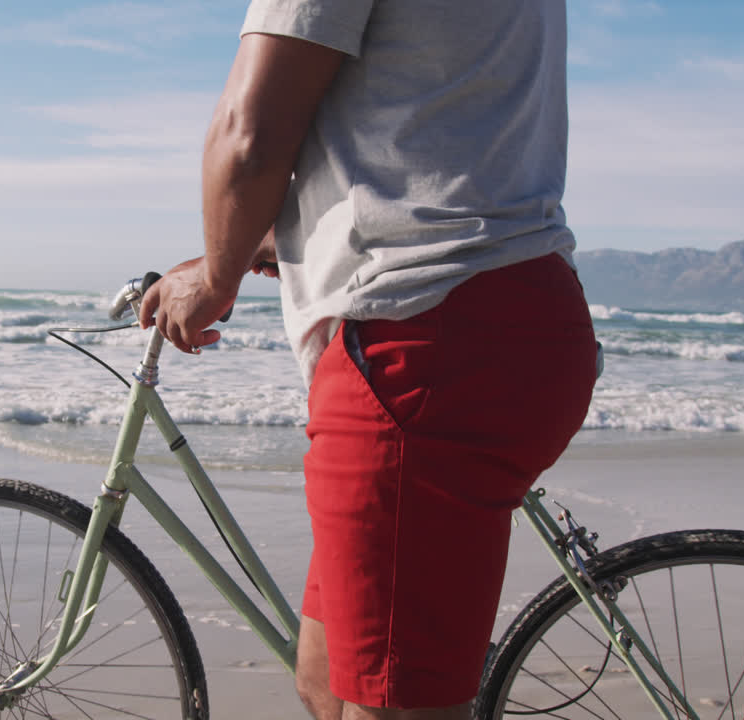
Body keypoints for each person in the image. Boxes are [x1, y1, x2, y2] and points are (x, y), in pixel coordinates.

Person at [138, 1, 598, 718]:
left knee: (389, 705)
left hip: (421, 340)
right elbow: (427, 129)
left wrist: (213, 280)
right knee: (327, 679)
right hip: (522, 306)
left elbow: (249, 135)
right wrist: (276, 240)